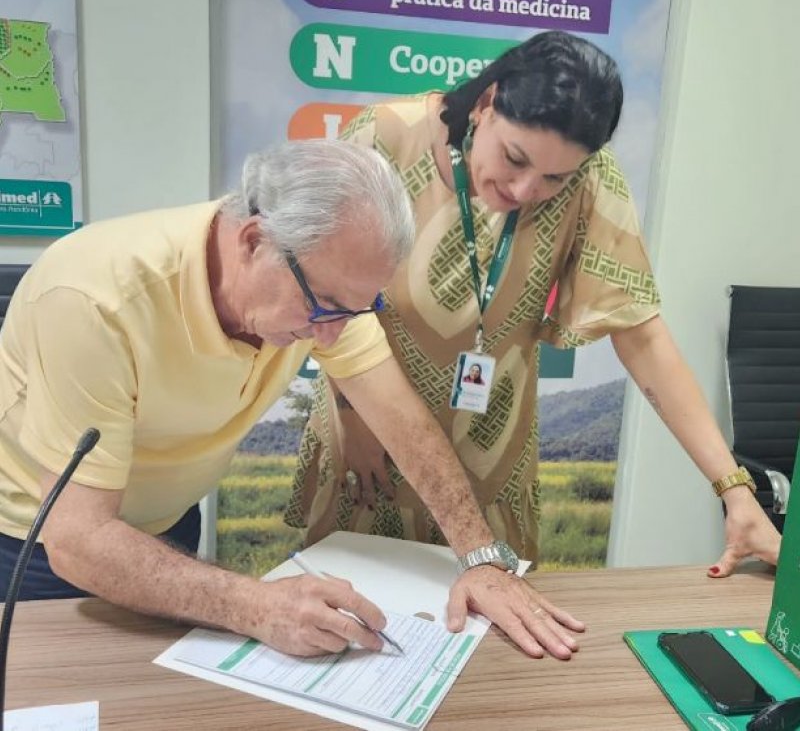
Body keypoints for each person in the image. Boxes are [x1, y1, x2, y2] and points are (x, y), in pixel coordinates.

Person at [0, 140, 584, 661]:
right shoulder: (93, 300)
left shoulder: (324, 282)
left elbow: (403, 421)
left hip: (164, 527)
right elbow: (78, 539)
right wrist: (256, 605)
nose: (328, 337)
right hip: (34, 550)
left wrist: (480, 557)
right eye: (322, 306)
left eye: (355, 310)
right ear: (254, 241)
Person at [289, 32, 780, 578]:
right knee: (354, 605)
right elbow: (323, 290)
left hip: (489, 455)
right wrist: (352, 413)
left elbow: (640, 333)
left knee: (493, 614)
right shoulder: (383, 139)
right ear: (486, 103)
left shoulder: (590, 177)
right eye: (514, 158)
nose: (525, 191)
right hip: (370, 440)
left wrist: (734, 490)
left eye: (553, 178)